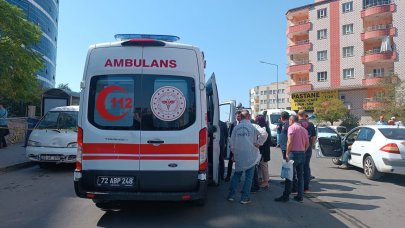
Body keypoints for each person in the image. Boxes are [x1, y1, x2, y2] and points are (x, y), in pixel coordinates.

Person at [227, 110, 268, 204]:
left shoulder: (236, 128)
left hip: (239, 155)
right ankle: (244, 198)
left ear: (240, 117)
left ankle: (231, 195)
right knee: (249, 177)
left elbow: (232, 143)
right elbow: (264, 134)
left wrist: (234, 153)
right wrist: (258, 143)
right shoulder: (253, 126)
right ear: (249, 117)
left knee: (237, 175)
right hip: (250, 155)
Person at [274, 115, 309, 203]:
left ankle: (286, 196)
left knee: (289, 175)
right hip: (301, 153)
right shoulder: (304, 129)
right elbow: (308, 143)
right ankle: (300, 196)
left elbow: (290, 141)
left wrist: (287, 153)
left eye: (289, 120)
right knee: (300, 176)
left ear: (291, 120)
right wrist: (303, 150)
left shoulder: (292, 128)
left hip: (293, 153)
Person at [297, 110, 316, 193]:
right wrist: (310, 147)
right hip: (307, 148)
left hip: (297, 149)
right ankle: (306, 188)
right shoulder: (311, 124)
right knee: (306, 167)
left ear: (298, 115)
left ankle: (297, 187)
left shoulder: (295, 124)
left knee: (297, 168)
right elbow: (313, 137)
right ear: (305, 115)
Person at [255, 115, 271, 189]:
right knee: (261, 166)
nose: (256, 122)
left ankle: (266, 182)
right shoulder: (265, 127)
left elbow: (264, 140)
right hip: (263, 149)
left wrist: (258, 144)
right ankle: (261, 179)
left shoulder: (264, 129)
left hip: (263, 150)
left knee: (263, 165)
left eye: (257, 121)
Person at [224, 110, 242, 182]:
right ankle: (228, 176)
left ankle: (238, 177)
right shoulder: (233, 124)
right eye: (237, 116)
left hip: (241, 147)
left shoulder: (243, 124)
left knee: (239, 162)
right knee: (230, 161)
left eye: (239, 116)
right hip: (234, 146)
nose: (238, 117)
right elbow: (230, 135)